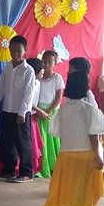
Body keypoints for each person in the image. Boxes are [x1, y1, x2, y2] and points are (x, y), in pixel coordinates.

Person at [38, 70, 104, 206]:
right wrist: (98, 156)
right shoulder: (89, 109)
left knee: (67, 186)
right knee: (80, 188)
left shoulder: (63, 109)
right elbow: (93, 135)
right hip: (84, 154)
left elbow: (58, 132)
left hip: (65, 154)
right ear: (87, 87)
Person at [0, 35, 36, 183]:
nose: (15, 54)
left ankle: (27, 172)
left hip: (21, 113)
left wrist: (22, 112)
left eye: (18, 51)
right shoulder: (7, 68)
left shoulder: (28, 71)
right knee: (6, 142)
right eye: (12, 50)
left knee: (23, 142)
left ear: (25, 51)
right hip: (7, 111)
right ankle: (9, 170)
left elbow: (28, 93)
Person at [32, 50, 64, 178]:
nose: (46, 65)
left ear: (55, 63)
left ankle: (52, 166)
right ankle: (40, 167)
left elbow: (58, 98)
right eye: (44, 61)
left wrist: (47, 112)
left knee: (51, 140)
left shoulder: (57, 78)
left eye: (49, 62)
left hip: (51, 112)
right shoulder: (38, 77)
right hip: (38, 111)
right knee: (40, 140)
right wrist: (39, 111)